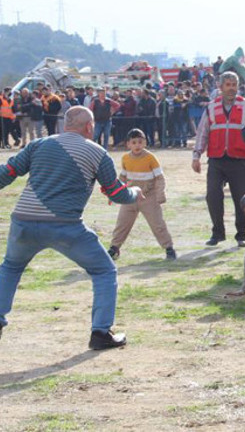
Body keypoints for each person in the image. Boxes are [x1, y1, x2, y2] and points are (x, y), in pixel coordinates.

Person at [0, 107, 141, 349]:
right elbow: (116, 193)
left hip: (24, 219)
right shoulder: (97, 152)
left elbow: (8, 172)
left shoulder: (38, 144)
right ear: (89, 126)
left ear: (65, 124)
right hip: (64, 225)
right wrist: (135, 192)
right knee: (104, 271)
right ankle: (101, 333)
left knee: (10, 268)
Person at [192, 72, 245, 247]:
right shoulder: (211, 107)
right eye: (228, 85)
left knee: (243, 198)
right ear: (220, 87)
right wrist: (196, 155)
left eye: (234, 84)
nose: (231, 88)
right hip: (217, 159)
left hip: (240, 159)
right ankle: (218, 233)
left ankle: (242, 234)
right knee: (212, 195)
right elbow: (202, 132)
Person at [107, 128, 176, 261]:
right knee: (122, 223)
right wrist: (114, 194)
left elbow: (159, 178)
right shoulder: (125, 158)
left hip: (149, 196)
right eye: (134, 142)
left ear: (145, 143)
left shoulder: (150, 158)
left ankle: (169, 248)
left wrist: (160, 193)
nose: (137, 145)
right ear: (128, 144)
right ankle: (114, 248)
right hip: (130, 196)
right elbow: (123, 178)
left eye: (140, 142)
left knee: (157, 224)